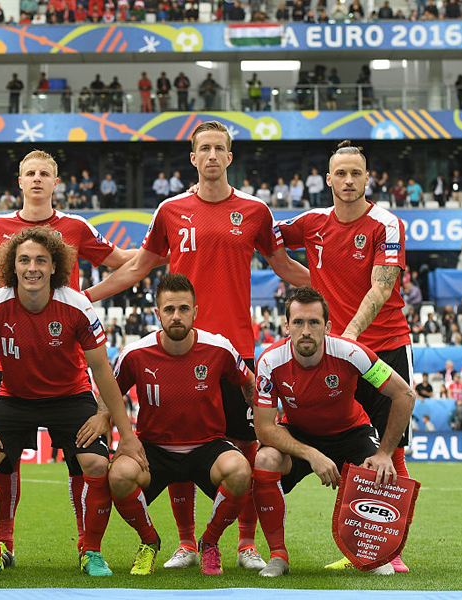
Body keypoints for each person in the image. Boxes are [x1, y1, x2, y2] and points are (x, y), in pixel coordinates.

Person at [84, 120, 309, 571]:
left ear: (230, 157)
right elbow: (136, 268)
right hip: (181, 348)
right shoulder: (169, 210)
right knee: (182, 442)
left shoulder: (255, 211)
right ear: (193, 158)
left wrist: (343, 294)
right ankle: (187, 543)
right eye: (203, 148)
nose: (211, 155)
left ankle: (245, 544)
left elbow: (286, 266)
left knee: (246, 450)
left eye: (219, 148)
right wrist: (79, 299)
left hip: (237, 352)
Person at [0, 149, 136, 567]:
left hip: (68, 374)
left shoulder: (76, 227)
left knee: (87, 461)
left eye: (44, 174)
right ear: (19, 182)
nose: (37, 179)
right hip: (15, 375)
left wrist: (89, 296)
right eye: (29, 173)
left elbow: (123, 262)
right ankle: (1, 544)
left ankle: (88, 549)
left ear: (56, 182)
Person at [276, 141, 414, 572]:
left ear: (367, 177)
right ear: (328, 178)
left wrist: (350, 334)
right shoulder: (312, 223)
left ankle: (390, 552)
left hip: (384, 343)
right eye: (341, 173)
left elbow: (383, 286)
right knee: (349, 436)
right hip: (336, 351)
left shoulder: (386, 224)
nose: (349, 181)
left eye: (357, 173)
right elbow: (262, 235)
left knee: (393, 448)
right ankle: (362, 545)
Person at [251, 287, 414, 577]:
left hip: (351, 431)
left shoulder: (352, 352)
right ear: (286, 325)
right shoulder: (268, 362)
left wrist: (385, 453)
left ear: (327, 327)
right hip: (300, 435)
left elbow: (404, 394)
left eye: (314, 322)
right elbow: (264, 428)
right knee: (265, 460)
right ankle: (278, 556)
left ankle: (371, 552)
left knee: (380, 470)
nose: (305, 330)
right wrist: (312, 454)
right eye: (298, 322)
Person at [110, 274, 255, 576]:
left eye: (184, 309)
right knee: (119, 476)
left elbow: (249, 382)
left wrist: (262, 415)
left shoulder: (219, 348)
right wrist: (105, 418)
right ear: (157, 312)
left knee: (241, 470)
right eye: (169, 309)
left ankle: (209, 543)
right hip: (154, 449)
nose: (177, 316)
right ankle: (149, 542)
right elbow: (110, 394)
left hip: (208, 446)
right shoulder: (135, 353)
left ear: (195, 311)